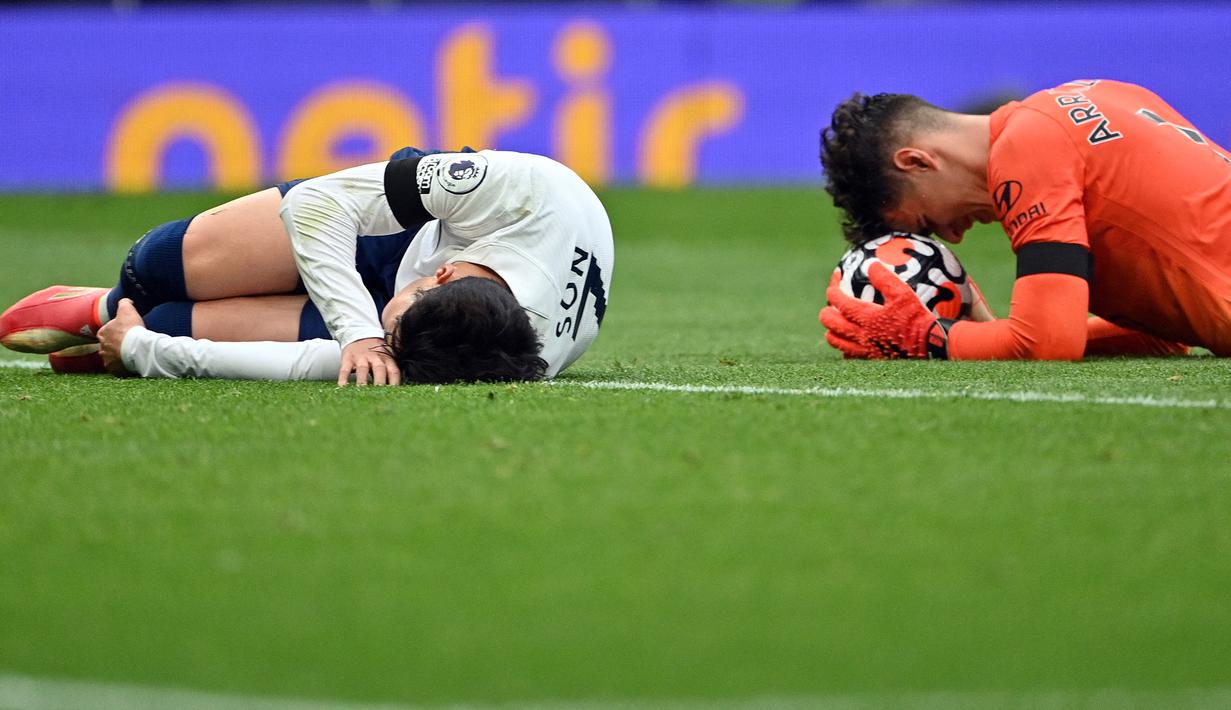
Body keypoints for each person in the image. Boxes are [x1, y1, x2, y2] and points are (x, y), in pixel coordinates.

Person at [0, 148, 614, 384]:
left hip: (434, 295)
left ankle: (118, 325)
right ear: (444, 275)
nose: (384, 331)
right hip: (399, 232)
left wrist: (145, 350)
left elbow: (309, 365)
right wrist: (362, 330)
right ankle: (107, 303)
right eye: (393, 324)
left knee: (171, 321)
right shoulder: (521, 193)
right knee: (153, 266)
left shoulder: (481, 357)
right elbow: (320, 205)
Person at [817, 79, 1229, 360]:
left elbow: (1048, 343)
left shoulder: (1027, 148)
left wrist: (927, 338)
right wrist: (999, 336)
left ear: (916, 162)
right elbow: (1165, 334)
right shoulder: (1097, 93)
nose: (953, 237)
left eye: (928, 222)